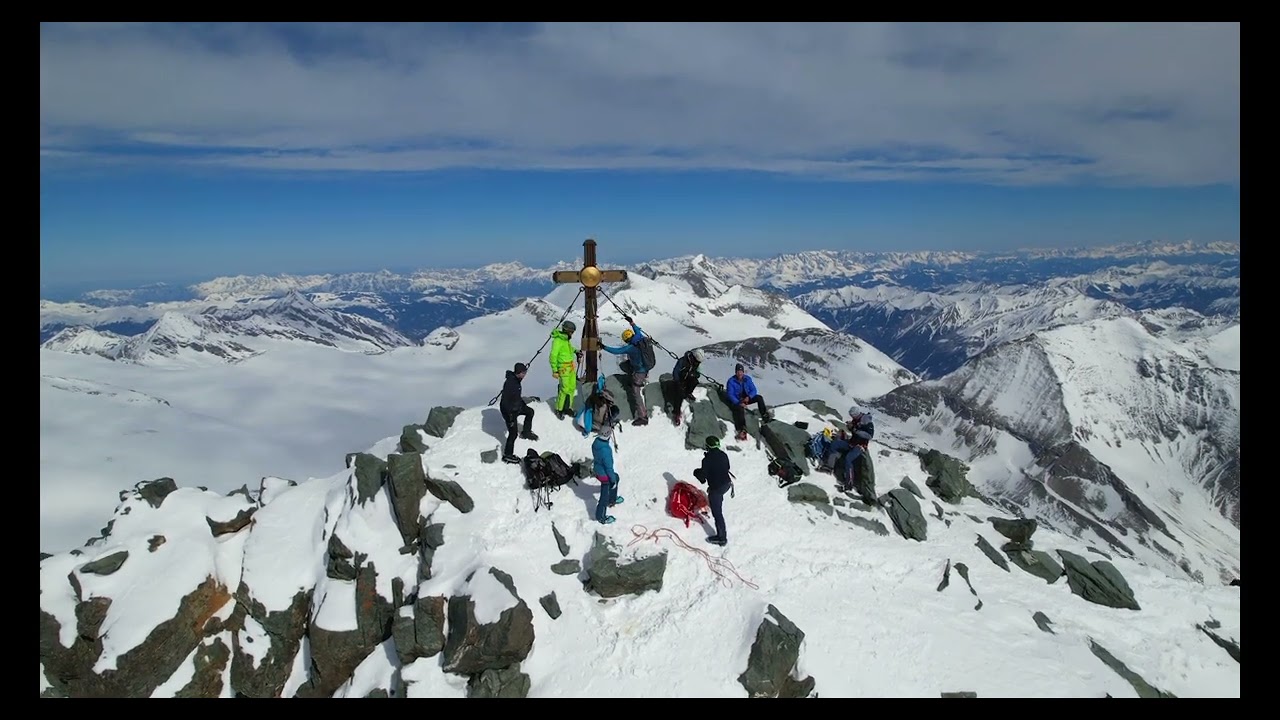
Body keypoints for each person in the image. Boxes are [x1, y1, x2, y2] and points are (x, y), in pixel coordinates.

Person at [580, 386, 625, 524]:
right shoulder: (606, 450)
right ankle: (601, 517)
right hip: (605, 475)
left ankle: (612, 499)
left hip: (599, 471)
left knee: (616, 478)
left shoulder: (596, 443)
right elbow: (609, 468)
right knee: (605, 495)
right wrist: (611, 481)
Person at [601, 314, 651, 426]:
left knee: (636, 393)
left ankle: (643, 417)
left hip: (639, 371)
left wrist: (604, 347)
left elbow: (617, 351)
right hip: (645, 367)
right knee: (625, 365)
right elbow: (637, 330)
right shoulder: (640, 338)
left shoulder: (631, 347)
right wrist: (632, 322)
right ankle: (634, 379)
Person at [693, 435, 733, 546]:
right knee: (717, 498)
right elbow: (727, 468)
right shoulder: (723, 455)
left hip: (717, 488)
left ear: (707, 446)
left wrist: (697, 472)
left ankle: (722, 538)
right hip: (727, 484)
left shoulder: (707, 460)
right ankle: (718, 500)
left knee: (717, 513)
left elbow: (702, 479)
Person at [822, 405, 875, 488]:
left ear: (856, 414)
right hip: (851, 443)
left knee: (848, 459)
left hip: (860, 446)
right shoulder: (856, 420)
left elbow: (869, 436)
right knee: (834, 444)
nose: (851, 417)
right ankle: (829, 466)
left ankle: (849, 483)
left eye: (852, 415)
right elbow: (853, 429)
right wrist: (850, 427)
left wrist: (855, 430)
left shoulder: (867, 422)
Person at [499, 363, 538, 463]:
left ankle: (526, 432)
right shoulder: (510, 384)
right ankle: (507, 455)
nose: (525, 375)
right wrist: (510, 418)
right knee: (513, 434)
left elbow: (515, 397)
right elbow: (506, 402)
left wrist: (522, 404)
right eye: (524, 373)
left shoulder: (516, 380)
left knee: (530, 412)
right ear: (519, 373)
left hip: (517, 407)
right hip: (509, 411)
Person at [724, 363, 772, 441]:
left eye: (741, 371)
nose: (739, 373)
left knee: (759, 398)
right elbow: (730, 395)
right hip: (736, 401)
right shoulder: (731, 381)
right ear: (735, 372)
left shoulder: (747, 379)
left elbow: (754, 390)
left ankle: (764, 416)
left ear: (743, 372)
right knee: (740, 410)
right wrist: (739, 403)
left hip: (745, 398)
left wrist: (749, 397)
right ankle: (741, 429)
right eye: (738, 372)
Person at [549, 320, 583, 420]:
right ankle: (559, 409)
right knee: (564, 389)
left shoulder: (565, 339)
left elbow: (568, 349)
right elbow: (553, 356)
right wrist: (555, 370)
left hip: (570, 367)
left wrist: (576, 351)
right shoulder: (558, 340)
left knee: (571, 388)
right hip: (563, 368)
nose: (572, 333)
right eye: (572, 331)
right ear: (567, 330)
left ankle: (568, 407)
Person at [668, 348, 705, 426]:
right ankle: (676, 413)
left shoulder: (696, 364)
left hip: (688, 379)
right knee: (679, 393)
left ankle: (688, 392)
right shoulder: (683, 361)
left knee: (694, 381)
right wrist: (677, 382)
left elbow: (698, 373)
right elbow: (675, 372)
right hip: (679, 380)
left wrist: (694, 375)